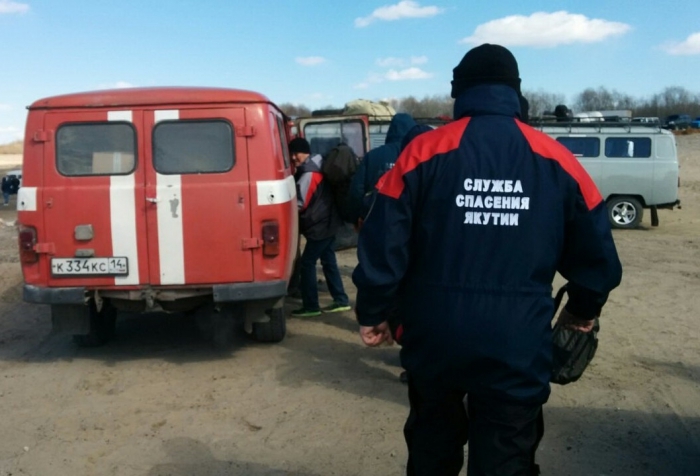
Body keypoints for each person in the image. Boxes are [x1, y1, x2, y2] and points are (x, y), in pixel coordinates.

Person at [352, 43, 622, 475]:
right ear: (516, 93)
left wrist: (374, 311)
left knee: (431, 450)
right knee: (505, 459)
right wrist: (582, 311)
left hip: (434, 337)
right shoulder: (558, 160)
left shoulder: (422, 152)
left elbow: (384, 244)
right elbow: (598, 256)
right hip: (516, 343)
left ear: (460, 92)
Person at [288, 137, 351, 317]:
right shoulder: (318, 164)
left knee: (307, 264)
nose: (293, 157)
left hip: (320, 226)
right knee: (328, 261)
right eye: (291, 154)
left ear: (305, 152)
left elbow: (301, 202)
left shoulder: (309, 173)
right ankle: (341, 300)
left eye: (296, 153)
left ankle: (311, 306)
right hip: (329, 222)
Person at [346, 113, 417, 227]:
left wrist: (356, 218)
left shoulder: (372, 156)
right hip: (410, 224)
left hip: (377, 223)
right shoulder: (419, 156)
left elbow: (356, 191)